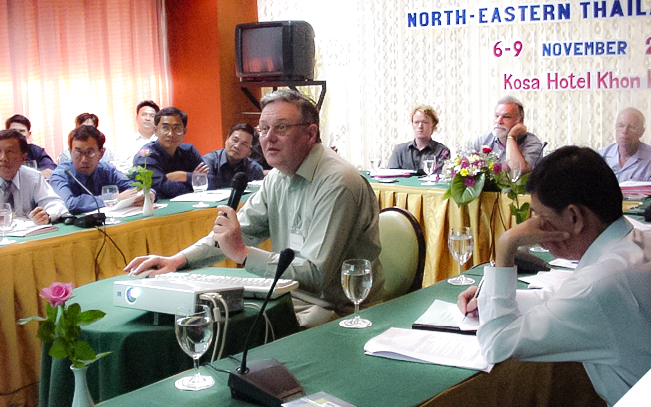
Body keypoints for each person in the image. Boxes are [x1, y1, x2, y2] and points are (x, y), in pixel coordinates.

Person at [125, 89, 384, 327]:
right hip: (287, 298)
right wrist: (179, 260)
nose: (268, 138)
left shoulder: (337, 182)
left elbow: (316, 275)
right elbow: (239, 233)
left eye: (281, 128)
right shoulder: (277, 177)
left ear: (310, 133)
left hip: (339, 313)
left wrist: (243, 253)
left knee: (223, 333)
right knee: (199, 320)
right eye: (263, 129)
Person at [457, 146, 651, 407]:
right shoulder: (638, 241)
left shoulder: (599, 286)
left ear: (574, 216)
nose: (534, 227)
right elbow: (571, 297)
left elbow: (497, 344)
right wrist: (493, 298)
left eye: (541, 217)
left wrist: (506, 245)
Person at [50, 125, 148, 214]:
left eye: (90, 153)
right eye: (78, 153)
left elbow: (134, 188)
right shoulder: (61, 174)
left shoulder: (107, 170)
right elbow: (70, 204)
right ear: (70, 151)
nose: (84, 160)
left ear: (101, 153)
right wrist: (113, 198)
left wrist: (148, 194)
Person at [134, 107, 208, 199]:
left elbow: (211, 180)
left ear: (184, 131)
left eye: (177, 129)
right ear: (155, 130)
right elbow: (160, 189)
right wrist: (195, 180)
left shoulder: (189, 150)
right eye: (165, 128)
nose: (171, 134)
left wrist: (185, 176)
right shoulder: (146, 155)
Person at [0, 129, 67, 224]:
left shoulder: (32, 177)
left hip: (29, 235)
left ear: (23, 158)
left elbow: (56, 204)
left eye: (10, 151)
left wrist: (46, 214)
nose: (3, 158)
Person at [466, 96, 543, 173]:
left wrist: (511, 138)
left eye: (506, 117)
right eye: (496, 116)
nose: (499, 121)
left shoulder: (532, 143)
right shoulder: (482, 141)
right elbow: (461, 166)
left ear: (520, 121)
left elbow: (518, 173)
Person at [388, 105, 450, 173]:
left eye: (425, 122)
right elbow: (390, 177)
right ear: (412, 125)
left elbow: (440, 179)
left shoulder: (442, 151)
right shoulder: (399, 151)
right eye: (416, 122)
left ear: (433, 126)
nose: (420, 126)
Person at [203, 123, 264, 189]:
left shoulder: (254, 169)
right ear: (227, 139)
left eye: (244, 144)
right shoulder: (208, 162)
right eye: (235, 140)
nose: (237, 146)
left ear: (250, 151)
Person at [599, 107, 651, 182]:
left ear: (641, 132)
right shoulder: (602, 156)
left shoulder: (649, 157)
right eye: (621, 126)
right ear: (615, 128)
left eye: (632, 127)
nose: (624, 131)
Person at [4, 114, 57, 179]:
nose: (17, 134)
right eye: (14, 131)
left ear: (29, 134)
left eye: (22, 131)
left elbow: (50, 168)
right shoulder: (1, 152)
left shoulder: (35, 151)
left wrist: (41, 173)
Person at [115, 100, 160, 172]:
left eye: (152, 116)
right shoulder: (126, 143)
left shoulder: (162, 142)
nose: (147, 118)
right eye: (144, 114)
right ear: (137, 118)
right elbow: (122, 169)